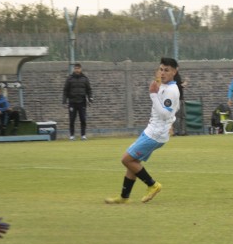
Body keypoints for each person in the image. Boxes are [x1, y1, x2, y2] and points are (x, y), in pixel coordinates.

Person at [105, 57, 180, 204]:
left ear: (174, 72)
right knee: (133, 161)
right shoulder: (164, 85)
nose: (162, 73)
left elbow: (165, 114)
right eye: (161, 69)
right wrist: (156, 84)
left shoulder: (172, 90)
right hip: (152, 130)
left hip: (155, 134)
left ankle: (153, 185)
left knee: (126, 159)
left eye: (167, 70)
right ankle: (124, 197)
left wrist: (152, 94)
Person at [63, 63, 93, 141]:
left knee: (83, 119)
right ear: (74, 69)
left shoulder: (85, 79)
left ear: (81, 69)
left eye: (78, 68)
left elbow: (89, 90)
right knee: (72, 119)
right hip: (72, 102)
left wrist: (90, 98)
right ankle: (72, 136)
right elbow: (65, 90)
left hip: (82, 102)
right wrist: (64, 100)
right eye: (76, 68)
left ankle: (83, 135)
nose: (77, 70)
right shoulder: (69, 78)